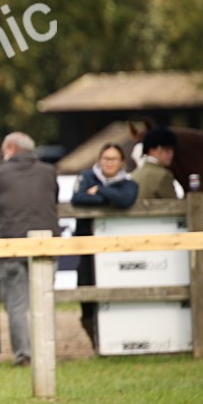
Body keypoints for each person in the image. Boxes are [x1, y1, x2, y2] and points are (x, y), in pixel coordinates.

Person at [0, 132, 59, 367]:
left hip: (12, 246)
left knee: (17, 305)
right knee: (45, 301)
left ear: (10, 148)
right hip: (47, 246)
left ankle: (24, 355)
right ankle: (47, 352)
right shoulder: (48, 172)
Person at [70, 143, 138, 346]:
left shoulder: (127, 182)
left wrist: (99, 190)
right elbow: (78, 198)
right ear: (99, 160)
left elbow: (126, 199)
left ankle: (117, 341)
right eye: (105, 159)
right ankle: (96, 342)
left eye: (113, 159)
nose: (109, 163)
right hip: (87, 248)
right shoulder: (85, 176)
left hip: (117, 251)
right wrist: (109, 198)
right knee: (86, 294)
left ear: (122, 162)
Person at [131, 127, 179, 200]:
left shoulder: (134, 174)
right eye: (166, 149)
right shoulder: (163, 176)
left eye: (172, 149)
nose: (171, 153)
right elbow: (175, 207)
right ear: (152, 150)